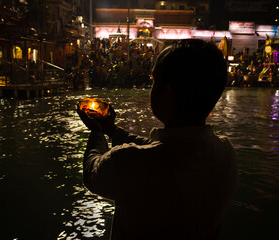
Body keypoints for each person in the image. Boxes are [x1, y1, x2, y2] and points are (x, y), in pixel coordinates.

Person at [77, 39, 238, 240]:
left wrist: (97, 131)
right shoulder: (226, 153)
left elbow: (93, 174)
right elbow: (163, 150)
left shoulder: (131, 161)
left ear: (167, 92)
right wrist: (112, 130)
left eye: (154, 81)